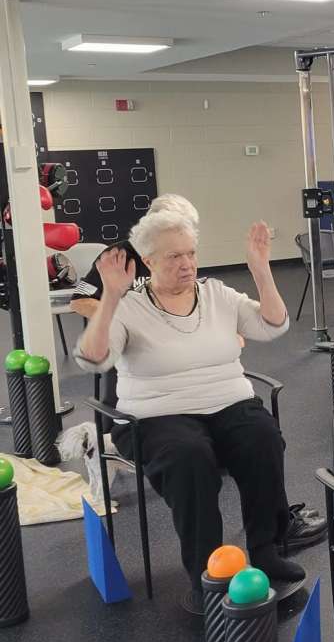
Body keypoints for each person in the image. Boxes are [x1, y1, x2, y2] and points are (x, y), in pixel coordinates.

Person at [74, 210, 305, 612]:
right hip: (154, 415)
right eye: (173, 257)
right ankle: (208, 572)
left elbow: (273, 326)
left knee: (263, 437)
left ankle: (265, 548)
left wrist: (261, 269)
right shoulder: (128, 307)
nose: (186, 264)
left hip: (228, 403)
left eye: (191, 253)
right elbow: (92, 358)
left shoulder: (217, 294)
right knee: (190, 456)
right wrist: (110, 296)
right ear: (148, 261)